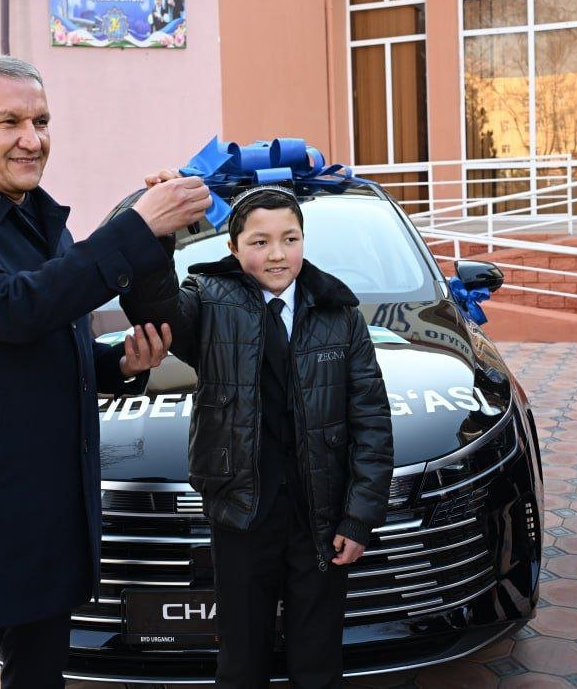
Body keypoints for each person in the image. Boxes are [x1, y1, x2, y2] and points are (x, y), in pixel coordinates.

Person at [0, 56, 212, 687]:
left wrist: (117, 363)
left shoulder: (40, 221)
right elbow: (13, 310)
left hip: (50, 518)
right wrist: (136, 226)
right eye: (9, 122)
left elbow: (46, 340)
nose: (32, 140)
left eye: (41, 121)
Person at [121, 183, 394, 687]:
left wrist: (359, 518)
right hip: (241, 514)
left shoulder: (339, 313)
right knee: (241, 659)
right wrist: (154, 231)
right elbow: (151, 302)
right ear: (233, 247)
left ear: (304, 241)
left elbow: (372, 423)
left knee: (317, 659)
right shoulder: (210, 301)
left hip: (320, 516)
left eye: (290, 239)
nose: (277, 254)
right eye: (260, 241)